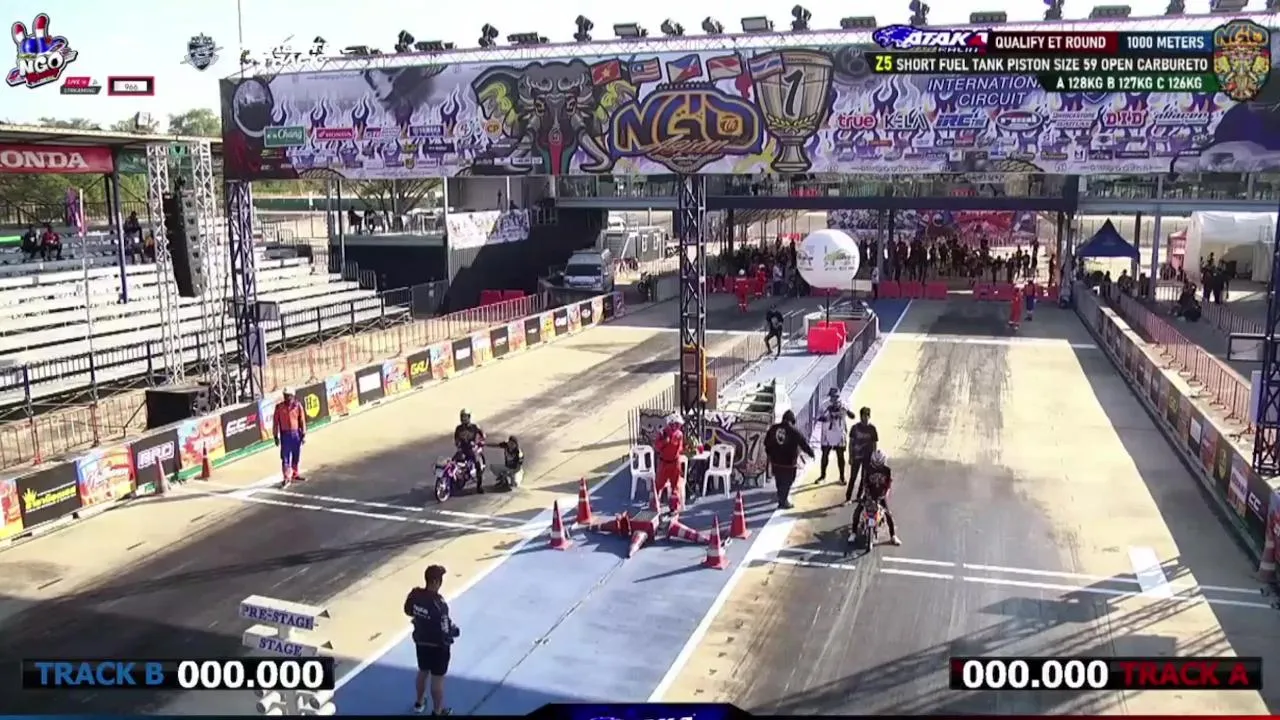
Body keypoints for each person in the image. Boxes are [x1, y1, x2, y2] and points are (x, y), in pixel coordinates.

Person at [405, 565, 460, 715]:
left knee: (422, 671)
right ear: (435, 582)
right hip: (438, 647)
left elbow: (408, 611)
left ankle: (419, 703)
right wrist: (454, 632)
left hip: (421, 642)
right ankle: (438, 711)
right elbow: (445, 630)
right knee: (437, 680)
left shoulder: (415, 595)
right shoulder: (439, 604)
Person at [764, 409, 814, 510]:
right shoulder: (794, 431)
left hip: (775, 461)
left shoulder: (773, 428)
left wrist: (770, 454)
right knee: (788, 481)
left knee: (779, 481)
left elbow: (766, 443)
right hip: (789, 463)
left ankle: (781, 497)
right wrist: (811, 453)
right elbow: (803, 444)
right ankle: (783, 501)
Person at [855, 450, 901, 546]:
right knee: (858, 511)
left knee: (888, 514)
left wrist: (885, 493)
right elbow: (865, 483)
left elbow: (888, 483)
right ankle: (853, 533)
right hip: (869, 494)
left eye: (879, 463)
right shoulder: (868, 469)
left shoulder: (887, 470)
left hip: (881, 495)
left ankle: (893, 536)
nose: (877, 465)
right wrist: (867, 495)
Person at [817, 388, 855, 485]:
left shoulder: (844, 404)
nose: (834, 399)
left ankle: (842, 477)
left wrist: (845, 410)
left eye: (836, 397)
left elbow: (852, 416)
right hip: (827, 433)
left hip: (839, 433)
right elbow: (819, 418)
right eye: (832, 396)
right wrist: (827, 414)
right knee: (825, 454)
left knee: (840, 455)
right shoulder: (825, 405)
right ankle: (822, 476)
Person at [273, 387, 307, 486]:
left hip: (296, 434)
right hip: (285, 435)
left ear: (292, 396)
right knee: (285, 457)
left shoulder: (297, 406)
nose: (286, 397)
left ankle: (295, 474)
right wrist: (275, 436)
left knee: (296, 455)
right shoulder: (279, 407)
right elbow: (275, 423)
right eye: (285, 395)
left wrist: (303, 434)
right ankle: (286, 477)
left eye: (288, 396)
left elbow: (302, 420)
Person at [652, 414, 686, 512]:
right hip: (664, 463)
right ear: (671, 424)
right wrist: (664, 442)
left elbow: (680, 448)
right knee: (658, 485)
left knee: (675, 486)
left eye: (679, 425)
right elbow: (657, 447)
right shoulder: (662, 433)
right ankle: (654, 504)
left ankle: (674, 507)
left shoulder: (679, 434)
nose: (678, 426)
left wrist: (678, 449)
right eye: (676, 424)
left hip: (675, 463)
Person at [846, 407, 878, 504]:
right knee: (853, 477)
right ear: (860, 416)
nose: (865, 418)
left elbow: (874, 444)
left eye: (867, 416)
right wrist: (850, 456)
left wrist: (874, 457)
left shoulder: (872, 429)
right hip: (856, 456)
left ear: (869, 416)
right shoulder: (855, 428)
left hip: (867, 457)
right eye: (864, 416)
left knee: (864, 478)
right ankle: (848, 497)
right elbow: (851, 443)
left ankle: (859, 496)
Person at [453, 409, 486, 492]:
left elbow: (483, 436)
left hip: (472, 449)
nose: (464, 418)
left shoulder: (475, 427)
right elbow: (456, 439)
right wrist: (458, 444)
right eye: (463, 416)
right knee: (453, 463)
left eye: (466, 416)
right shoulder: (458, 428)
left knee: (478, 465)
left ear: (469, 417)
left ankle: (479, 486)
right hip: (462, 449)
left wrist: (480, 442)